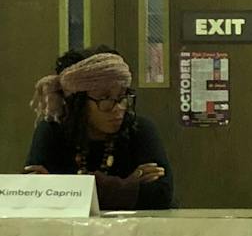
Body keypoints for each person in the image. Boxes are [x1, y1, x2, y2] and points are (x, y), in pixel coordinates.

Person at [24, 47, 173, 210]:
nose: (118, 108)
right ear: (78, 103)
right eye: (105, 98)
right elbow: (34, 194)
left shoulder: (139, 129)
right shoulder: (52, 130)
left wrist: (61, 189)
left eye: (122, 96)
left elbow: (160, 195)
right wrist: (128, 187)